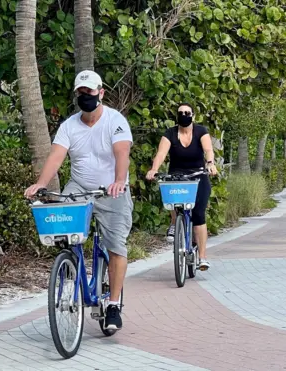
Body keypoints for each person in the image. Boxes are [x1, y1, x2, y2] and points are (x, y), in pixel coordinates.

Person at [24, 70, 133, 330]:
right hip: (79, 187)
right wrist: (41, 183)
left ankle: (114, 304)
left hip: (111, 191)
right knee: (65, 233)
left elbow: (122, 153)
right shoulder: (69, 125)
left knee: (116, 246)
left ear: (101, 93)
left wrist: (119, 180)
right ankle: (70, 270)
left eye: (90, 92)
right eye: (81, 93)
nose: (86, 96)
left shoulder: (115, 121)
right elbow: (56, 157)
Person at [146, 103, 218, 271]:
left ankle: (202, 257)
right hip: (177, 175)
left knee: (199, 214)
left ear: (192, 115)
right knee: (172, 199)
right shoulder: (170, 133)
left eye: (187, 112)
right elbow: (161, 153)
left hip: (198, 175)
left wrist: (210, 164)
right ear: (176, 116)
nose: (184, 115)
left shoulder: (201, 131)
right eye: (180, 113)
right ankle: (174, 223)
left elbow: (208, 150)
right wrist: (154, 169)